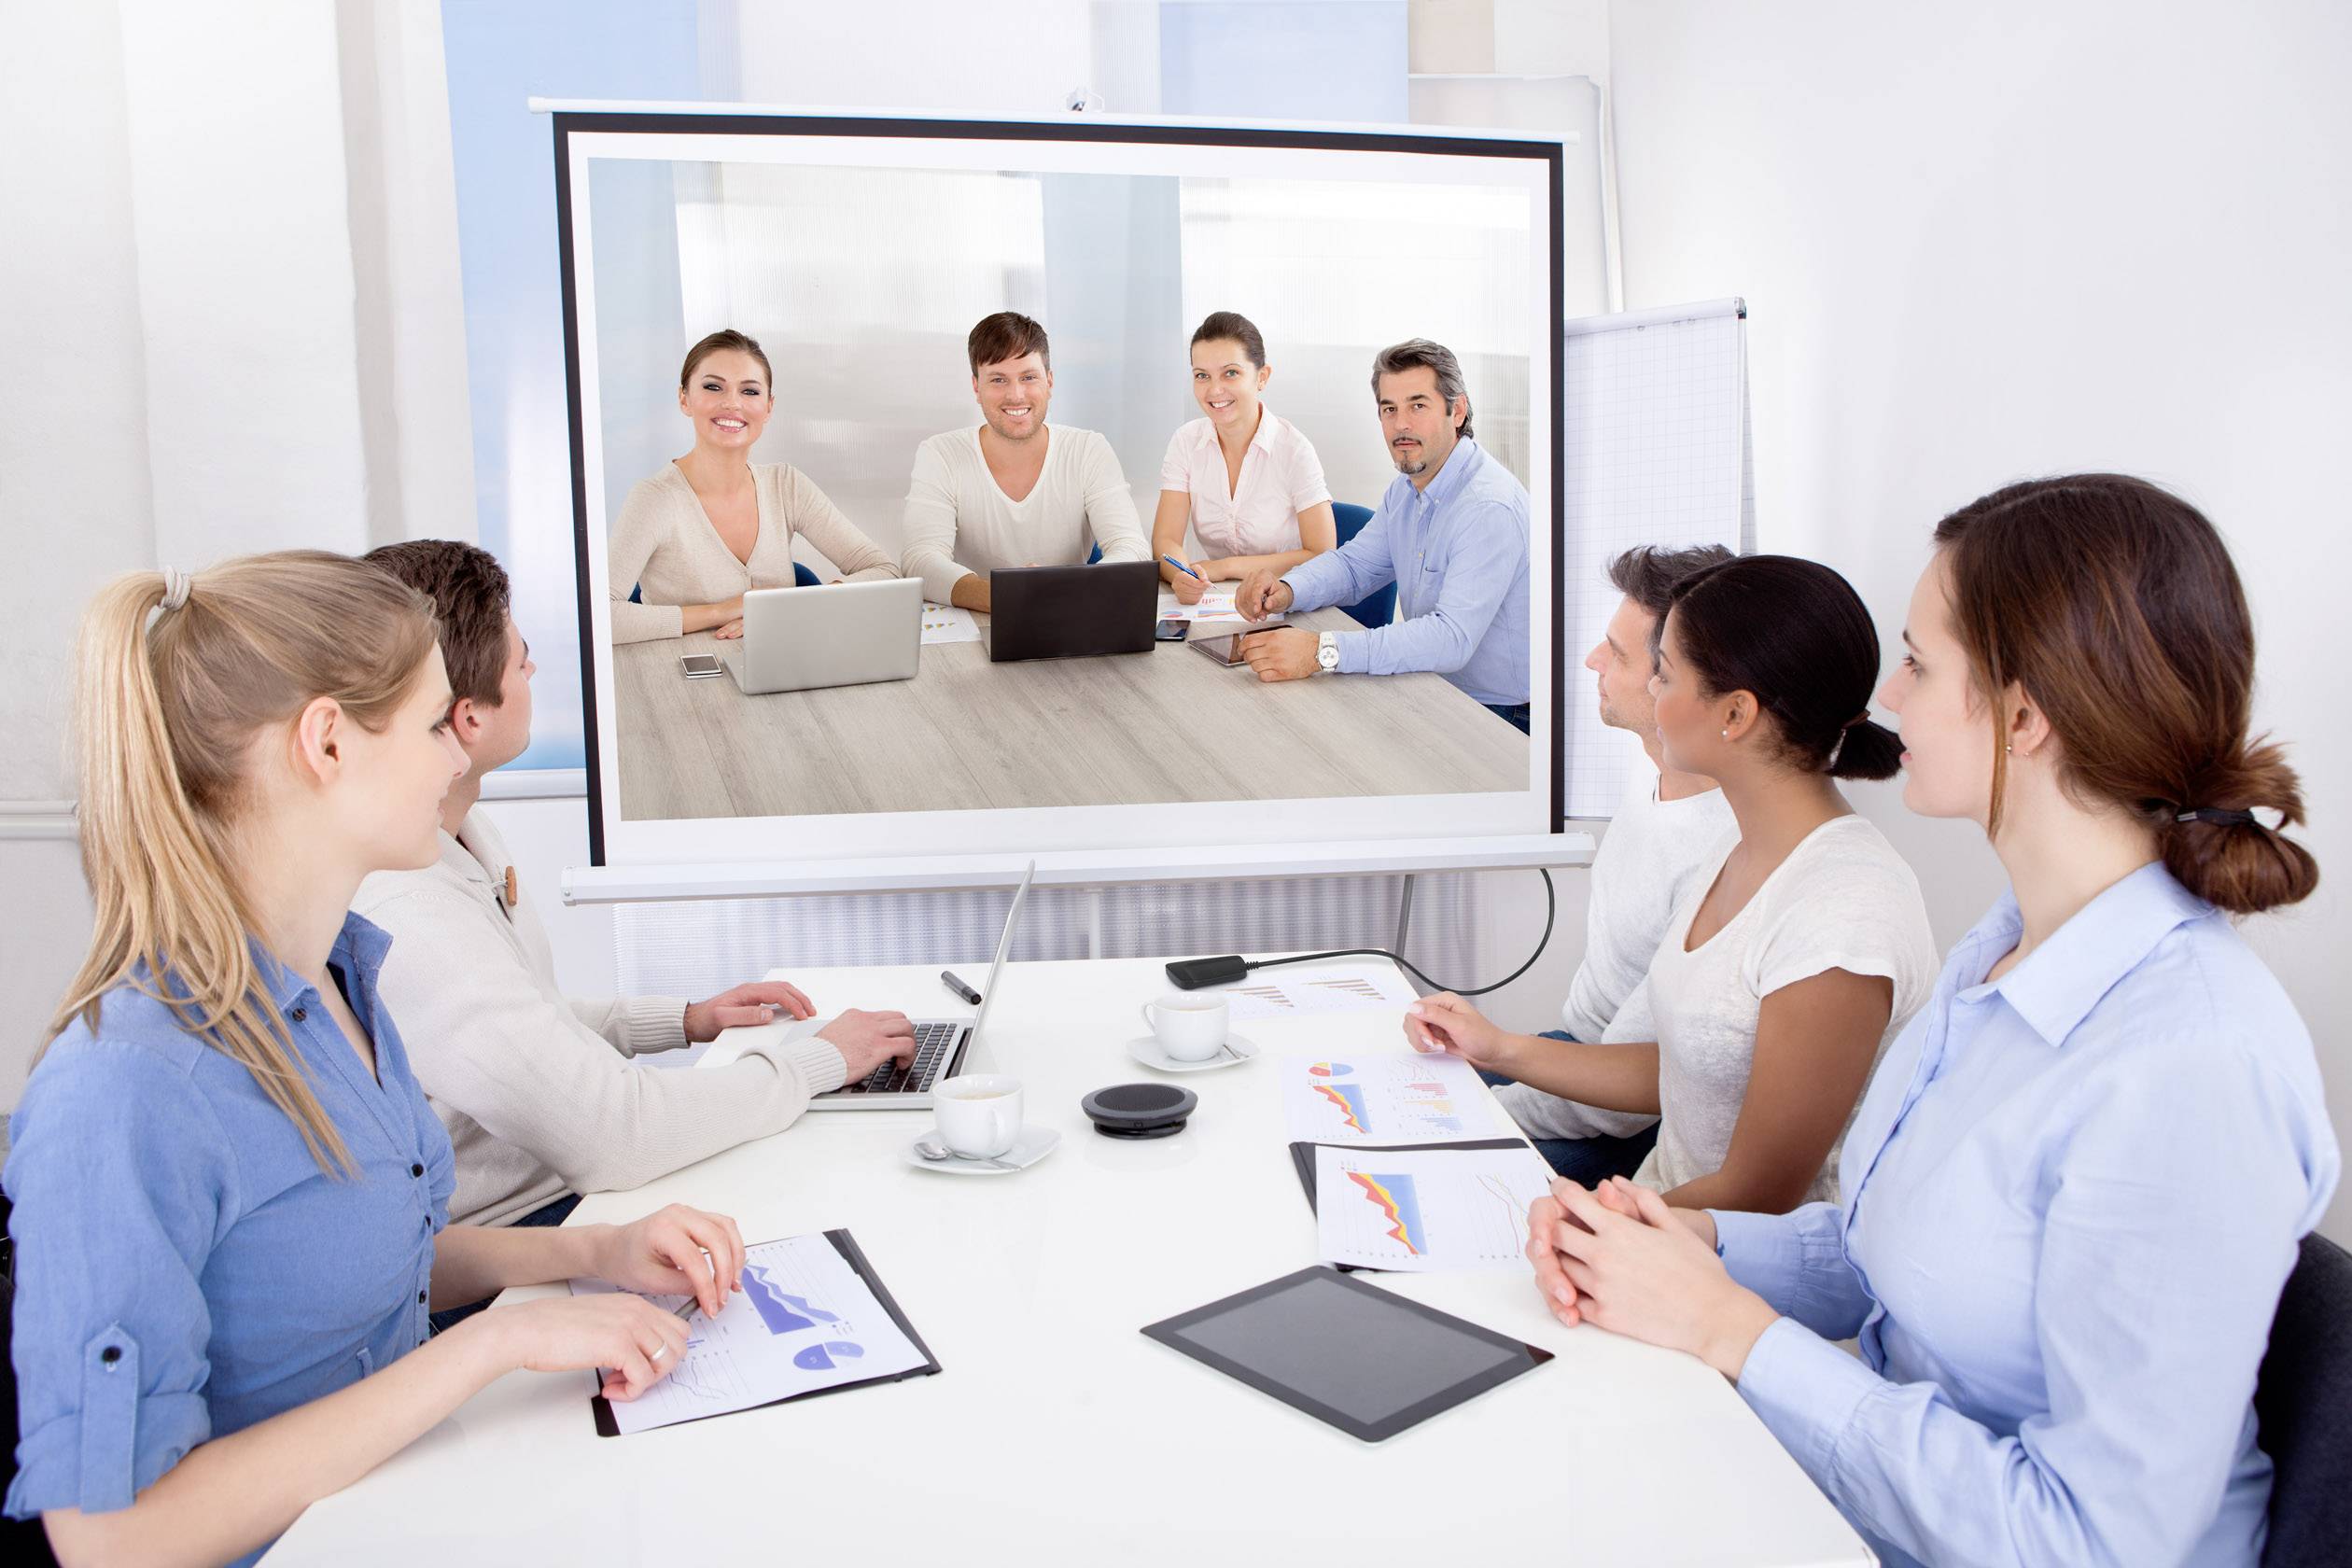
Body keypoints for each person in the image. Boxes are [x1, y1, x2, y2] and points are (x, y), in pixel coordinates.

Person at [1525, 476, 2336, 1568]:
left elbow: (2095, 1544)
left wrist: (1735, 1331)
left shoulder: (2191, 1066)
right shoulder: (1998, 955)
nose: (1892, 696)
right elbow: (1885, 1259)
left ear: (2023, 714)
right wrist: (1692, 1241)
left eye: (1919, 661)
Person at [5, 554, 740, 1567]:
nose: (456, 757)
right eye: (438, 723)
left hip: (419, 1504)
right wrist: (492, 1343)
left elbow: (358, 1272)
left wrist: (588, 1253)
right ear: (327, 742)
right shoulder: (123, 1094)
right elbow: (112, 1537)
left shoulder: (343, 982)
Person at [356, 541, 917, 1258]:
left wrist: (684, 1020)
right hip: (521, 1233)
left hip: (567, 1191)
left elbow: (527, 1020)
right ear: (467, 716)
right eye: (520, 657)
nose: (533, 668)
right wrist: (820, 1064)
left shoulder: (461, 827)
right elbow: (613, 1132)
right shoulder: (408, 913)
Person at [1408, 555, 1938, 1212]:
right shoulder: (1737, 847)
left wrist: (1583, 1224)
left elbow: (1760, 1196)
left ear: (1735, 714)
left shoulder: (1845, 914)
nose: (1651, 695)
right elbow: (1677, 1069)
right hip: (1660, 1208)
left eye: (1663, 674)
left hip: (1721, 1262)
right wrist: (1502, 1048)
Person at [1478, 544, 1741, 1182]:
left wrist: (1480, 1113)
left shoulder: (1725, 852)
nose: (1593, 661)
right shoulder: (1653, 768)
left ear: (1678, 683)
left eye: (1617, 654)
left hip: (1630, 1119)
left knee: (1428, 1164)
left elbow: (1631, 1098)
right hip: (1577, 1057)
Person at [1234, 339, 1533, 732]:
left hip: (1499, 714)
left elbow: (1449, 639)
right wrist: (1287, 590)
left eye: (1418, 405)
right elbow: (1355, 568)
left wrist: (1322, 651)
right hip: (1434, 686)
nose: (1401, 424)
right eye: (1389, 409)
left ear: (1456, 410)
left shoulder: (1487, 507)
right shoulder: (1408, 489)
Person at [609, 329, 900, 644]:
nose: (732, 403)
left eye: (749, 392)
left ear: (769, 407)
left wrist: (793, 607)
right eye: (713, 387)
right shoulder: (655, 499)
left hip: (780, 666)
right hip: (681, 677)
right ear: (684, 399)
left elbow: (883, 570)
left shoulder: (785, 485)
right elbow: (602, 618)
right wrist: (725, 610)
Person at [900, 311, 1151, 613]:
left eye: (1028, 377)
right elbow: (920, 561)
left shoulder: (1088, 449)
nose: (1015, 395)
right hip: (980, 619)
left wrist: (1068, 589)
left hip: (1072, 615)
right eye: (998, 379)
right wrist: (1008, 595)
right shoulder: (940, 454)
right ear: (976, 387)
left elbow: (1131, 547)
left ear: (1049, 382)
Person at [1152, 311, 1337, 605]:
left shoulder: (1294, 449)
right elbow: (1166, 541)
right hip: (1215, 602)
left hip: (1287, 602)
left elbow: (1323, 555)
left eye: (1231, 373)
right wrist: (1181, 575)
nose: (1214, 390)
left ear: (1261, 377)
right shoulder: (1185, 442)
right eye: (1202, 375)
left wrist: (1225, 567)